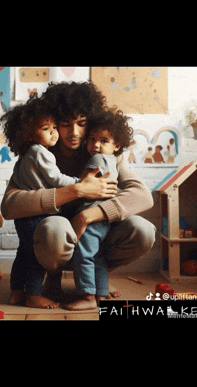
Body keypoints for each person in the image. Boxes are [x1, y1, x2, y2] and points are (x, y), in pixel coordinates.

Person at [1, 81, 156, 309]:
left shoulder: (101, 150)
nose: (74, 133)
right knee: (54, 229)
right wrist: (77, 190)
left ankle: (94, 281)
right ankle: (52, 278)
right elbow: (10, 206)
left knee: (142, 231)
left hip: (90, 236)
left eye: (82, 124)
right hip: (54, 241)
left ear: (90, 122)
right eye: (64, 124)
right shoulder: (38, 152)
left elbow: (143, 195)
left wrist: (89, 215)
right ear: (52, 123)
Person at [1, 97, 82, 307]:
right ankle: (33, 295)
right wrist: (79, 183)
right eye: (46, 128)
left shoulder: (24, 156)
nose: (54, 132)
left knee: (23, 253)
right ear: (28, 134)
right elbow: (56, 180)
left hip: (23, 216)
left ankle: (16, 292)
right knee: (37, 257)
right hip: (38, 215)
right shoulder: (41, 152)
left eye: (55, 126)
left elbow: (17, 183)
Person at [67, 108, 132, 310]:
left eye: (103, 141)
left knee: (84, 254)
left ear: (117, 145)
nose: (95, 145)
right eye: (92, 138)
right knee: (98, 256)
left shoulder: (97, 160)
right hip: (105, 217)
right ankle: (101, 294)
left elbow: (82, 185)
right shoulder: (113, 161)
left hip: (92, 215)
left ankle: (87, 297)